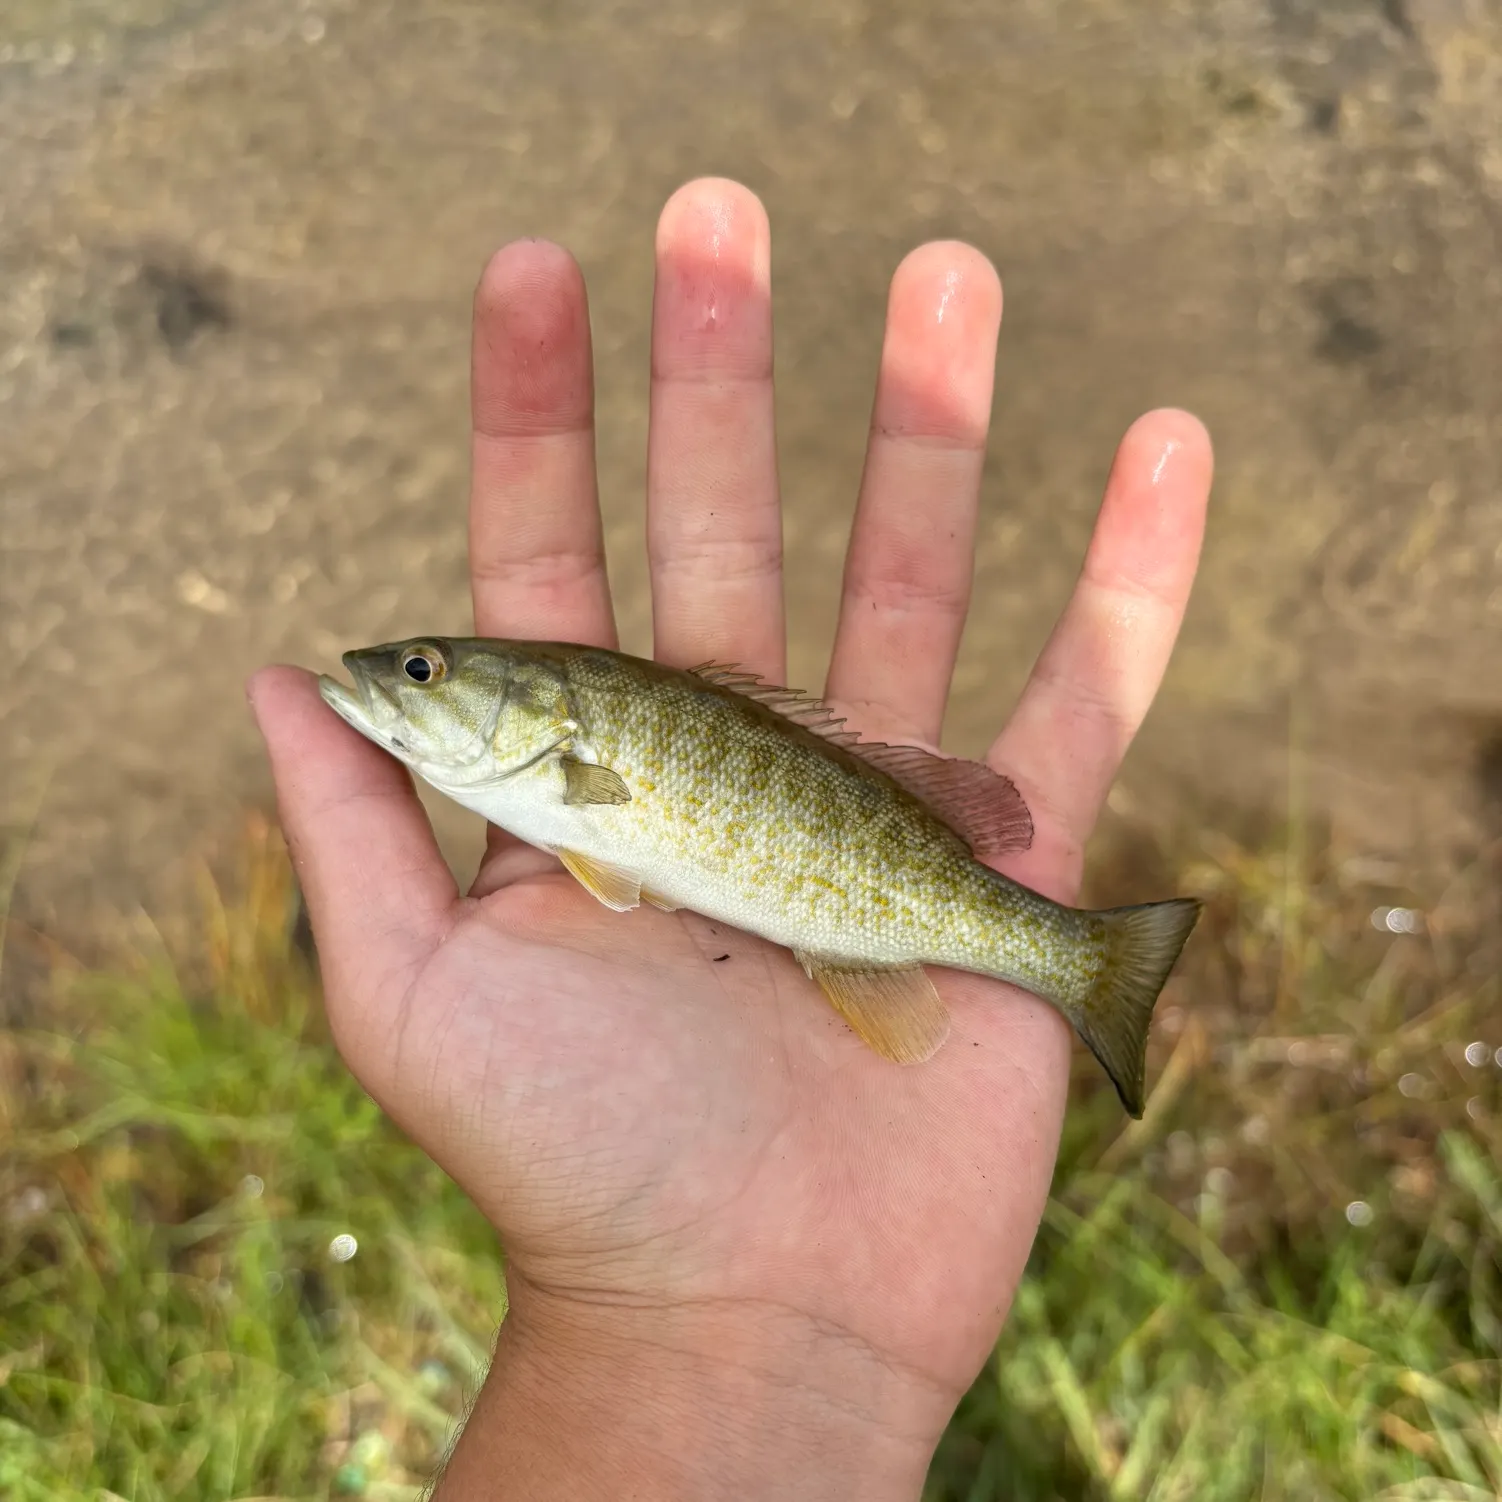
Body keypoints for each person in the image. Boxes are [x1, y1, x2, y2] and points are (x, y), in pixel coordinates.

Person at [249, 176, 1212, 1499]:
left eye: (424, 670)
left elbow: (620, 838)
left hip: (873, 905)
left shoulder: (562, 758)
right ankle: (1079, 960)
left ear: (529, 707)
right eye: (417, 668)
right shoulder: (549, 768)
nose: (390, 676)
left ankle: (1082, 960)